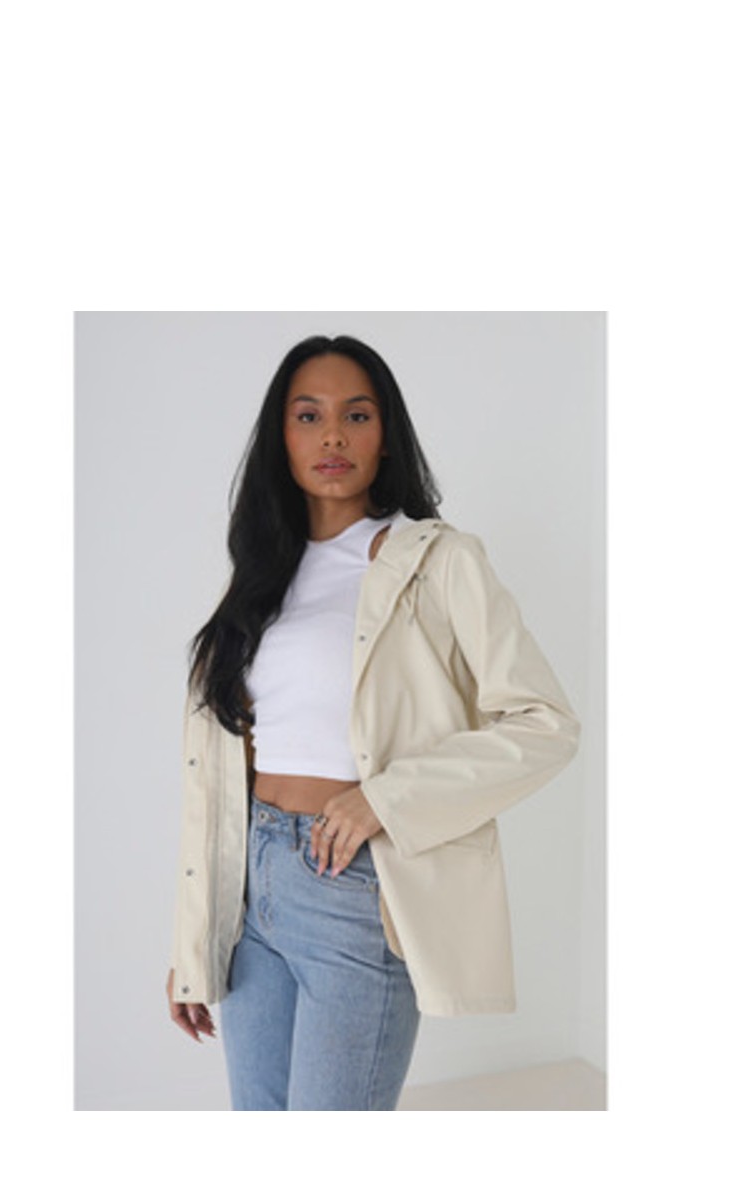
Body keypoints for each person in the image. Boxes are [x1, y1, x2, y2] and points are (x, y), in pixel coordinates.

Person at [166, 334, 580, 1110]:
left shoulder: (438, 561)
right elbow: (219, 775)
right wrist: (198, 938)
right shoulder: (261, 578)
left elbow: (544, 723)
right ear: (281, 437)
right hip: (253, 892)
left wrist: (382, 800)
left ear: (385, 434)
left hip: (355, 888)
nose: (332, 436)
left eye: (356, 415)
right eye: (309, 416)